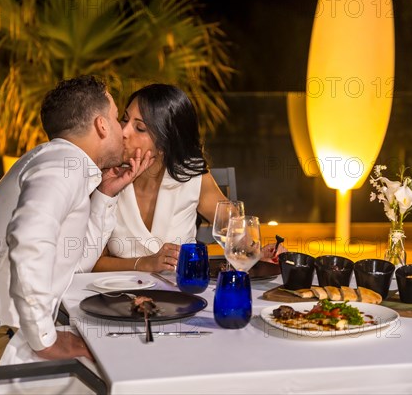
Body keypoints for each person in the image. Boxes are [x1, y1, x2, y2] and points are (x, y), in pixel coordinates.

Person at [0, 76, 152, 394]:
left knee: (112, 364)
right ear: (101, 126)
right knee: (115, 377)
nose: (123, 131)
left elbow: (74, 264)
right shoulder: (62, 163)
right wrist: (45, 340)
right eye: (116, 117)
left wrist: (106, 196)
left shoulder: (59, 165)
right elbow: (28, 240)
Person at [86, 84, 282, 274]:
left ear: (165, 141)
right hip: (117, 297)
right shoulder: (106, 176)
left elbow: (238, 237)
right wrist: (144, 264)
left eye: (139, 127)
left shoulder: (192, 177)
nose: (124, 132)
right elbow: (91, 263)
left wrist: (258, 254)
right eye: (124, 120)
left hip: (181, 297)